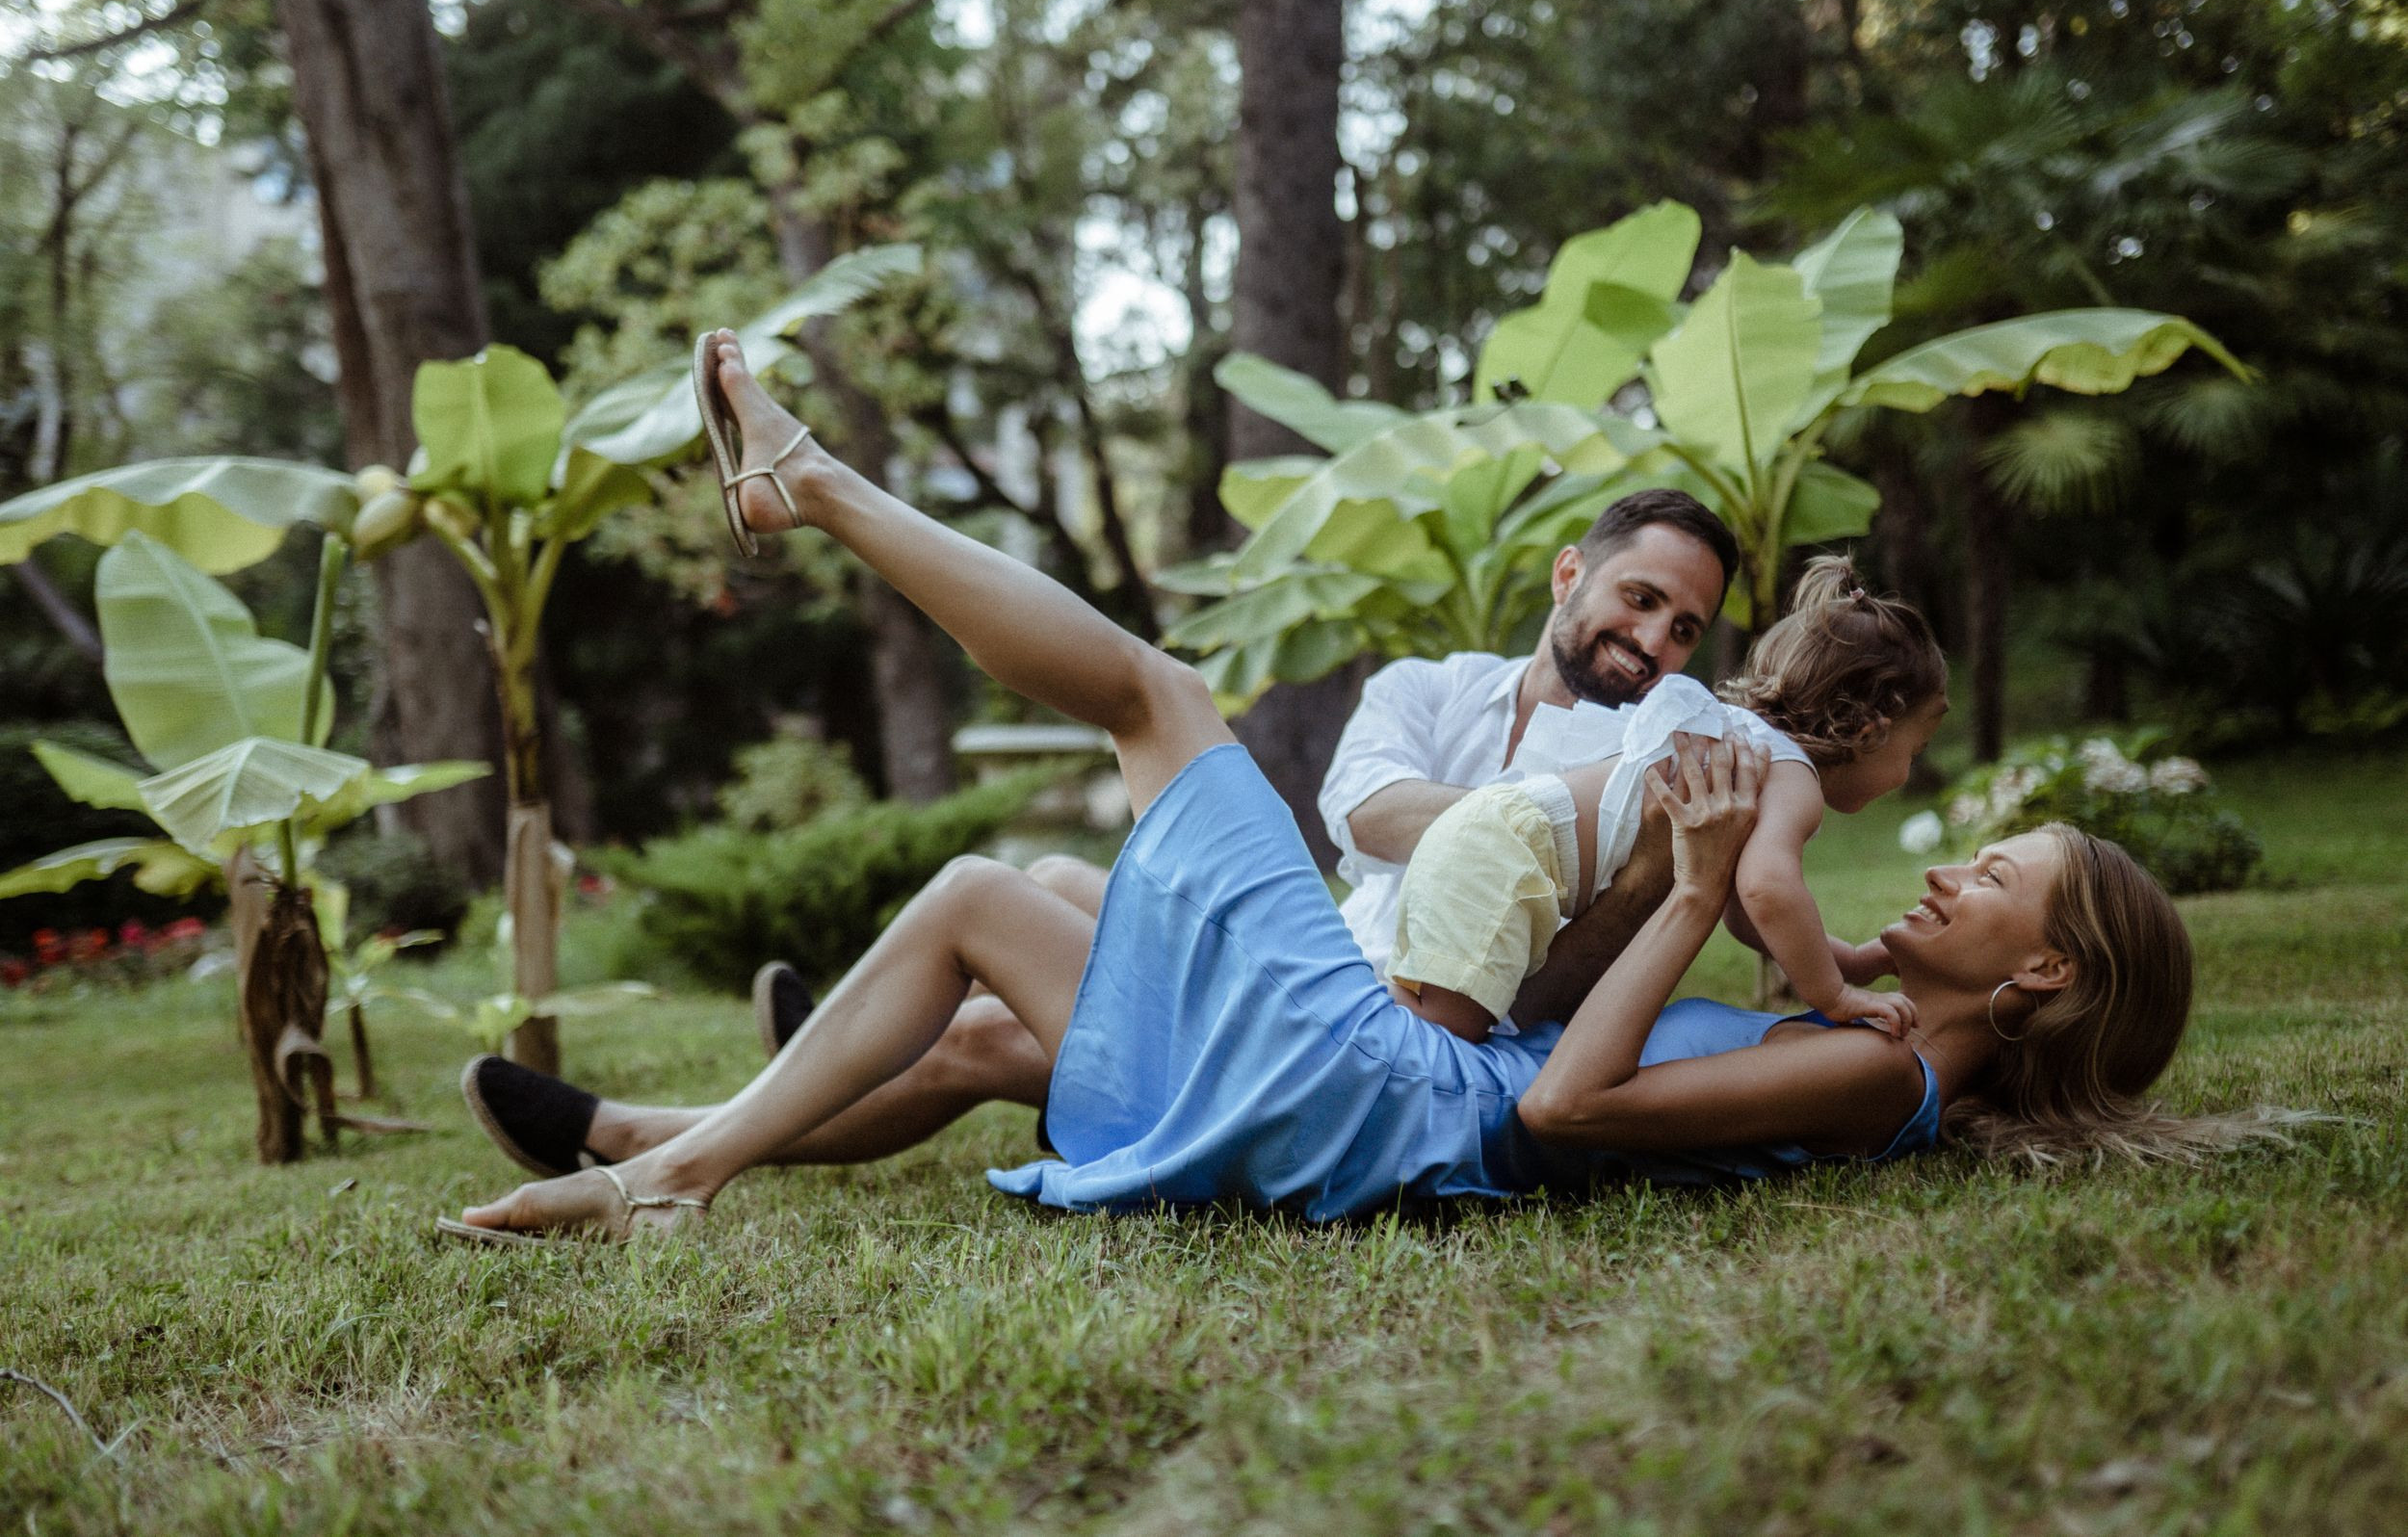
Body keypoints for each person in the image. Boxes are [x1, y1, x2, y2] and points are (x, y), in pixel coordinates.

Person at [437, 331, 2212, 1243]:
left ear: (2044, 972)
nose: (1949, 868)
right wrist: (1684, 911)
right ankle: (659, 1152)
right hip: (1381, 1071)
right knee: (1001, 937)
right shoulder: (1857, 1047)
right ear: (1570, 591)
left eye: (1994, 877)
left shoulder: (1876, 1069)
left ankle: (808, 486)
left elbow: (1567, 1116)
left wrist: (1681, 895)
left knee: (1139, 706)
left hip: (1395, 1089)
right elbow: (1623, 1033)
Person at [718, 487, 1741, 1162]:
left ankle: (688, 1128)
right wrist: (1536, 824)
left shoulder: (1650, 748)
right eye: (1639, 598)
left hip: (1371, 1024)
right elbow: (1363, 814)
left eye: (1683, 628)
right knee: (1068, 883)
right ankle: (830, 1052)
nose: (1651, 642)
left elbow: (1554, 962)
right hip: (1324, 959)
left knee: (993, 1010)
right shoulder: (1435, 688)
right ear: (1571, 574)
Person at [1383, 557, 1948, 1043]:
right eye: (1915, 748)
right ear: (1870, 732)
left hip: (1493, 835)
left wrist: (1845, 960)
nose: (1906, 772)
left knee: (1434, 1021)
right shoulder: (1790, 776)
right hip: (1504, 853)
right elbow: (1768, 889)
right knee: (1443, 1037)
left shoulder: (1748, 746)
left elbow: (1748, 913)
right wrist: (1836, 995)